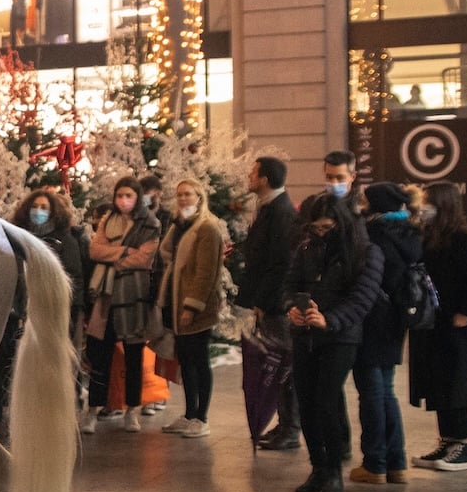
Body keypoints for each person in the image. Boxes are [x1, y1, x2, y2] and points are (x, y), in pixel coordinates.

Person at [282, 191, 385, 492]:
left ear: (341, 222)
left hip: (340, 337)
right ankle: (317, 468)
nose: (321, 233)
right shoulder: (306, 246)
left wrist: (329, 320)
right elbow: (290, 283)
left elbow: (362, 298)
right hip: (304, 334)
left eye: (327, 228)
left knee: (327, 401)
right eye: (316, 228)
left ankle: (334, 473)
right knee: (307, 402)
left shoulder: (366, 251)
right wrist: (291, 306)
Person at [409, 182, 467, 472]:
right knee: (439, 384)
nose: (423, 208)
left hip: (457, 328)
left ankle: (463, 445)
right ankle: (448, 440)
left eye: (428, 203)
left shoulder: (459, 239)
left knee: (455, 385)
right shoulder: (428, 236)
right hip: (435, 325)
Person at [349, 182, 422, 484]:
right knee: (386, 391)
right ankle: (397, 463)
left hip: (371, 318)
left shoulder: (372, 234)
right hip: (397, 319)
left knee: (370, 393)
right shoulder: (411, 233)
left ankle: (375, 463)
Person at [79, 177, 161, 433]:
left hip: (133, 298)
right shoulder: (108, 220)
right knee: (99, 356)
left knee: (133, 357)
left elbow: (144, 258)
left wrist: (113, 255)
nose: (123, 200)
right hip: (106, 298)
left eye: (129, 195)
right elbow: (95, 250)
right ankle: (94, 410)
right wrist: (124, 252)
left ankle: (132, 411)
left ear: (137, 197)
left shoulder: (150, 224)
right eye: (119, 195)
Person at [236, 156, 301, 450]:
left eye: (253, 172)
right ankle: (284, 424)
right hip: (267, 301)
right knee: (278, 363)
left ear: (263, 179)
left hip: (275, 304)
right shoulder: (269, 209)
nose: (249, 177)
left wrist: (264, 301)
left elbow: (280, 263)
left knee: (284, 365)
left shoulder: (281, 211)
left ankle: (291, 427)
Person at [156, 177, 226, 438]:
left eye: (188, 194)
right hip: (176, 301)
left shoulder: (207, 228)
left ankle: (202, 417)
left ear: (199, 197)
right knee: (185, 362)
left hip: (195, 307)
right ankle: (189, 414)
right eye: (180, 195)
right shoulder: (180, 227)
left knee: (198, 361)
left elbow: (206, 273)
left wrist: (191, 307)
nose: (183, 198)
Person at [19, 187, 87, 334]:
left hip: (53, 310)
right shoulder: (19, 235)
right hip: (22, 309)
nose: (38, 211)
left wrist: (70, 314)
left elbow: (73, 277)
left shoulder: (65, 240)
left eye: (44, 207)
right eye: (35, 207)